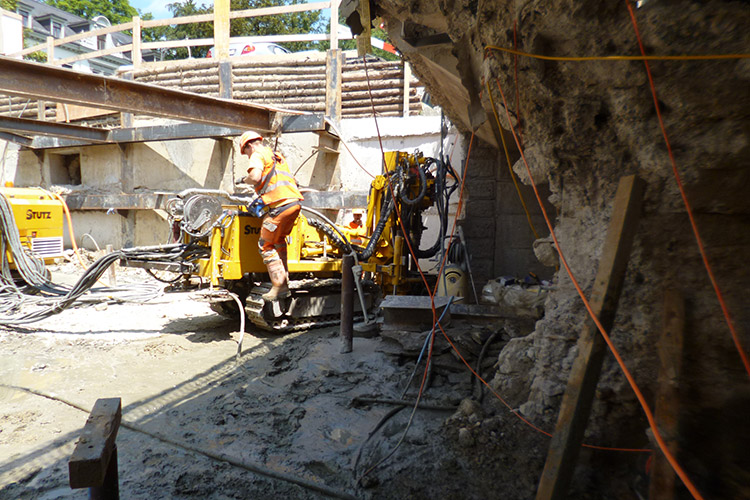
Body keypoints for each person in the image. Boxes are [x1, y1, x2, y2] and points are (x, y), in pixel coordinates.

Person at [236, 130, 303, 301]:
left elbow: (255, 176)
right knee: (278, 241)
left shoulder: (257, 154)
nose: (247, 155)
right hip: (293, 204)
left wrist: (245, 179)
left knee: (265, 245)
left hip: (279, 206)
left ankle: (279, 286)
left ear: (249, 145)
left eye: (246, 152)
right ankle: (284, 281)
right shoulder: (277, 156)